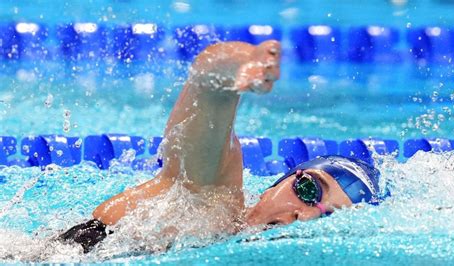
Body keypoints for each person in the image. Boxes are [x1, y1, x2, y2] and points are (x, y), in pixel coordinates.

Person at [58, 40, 385, 253]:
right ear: (282, 181)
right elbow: (206, 83)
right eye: (310, 190)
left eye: (327, 216)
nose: (305, 214)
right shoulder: (212, 198)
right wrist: (242, 65)